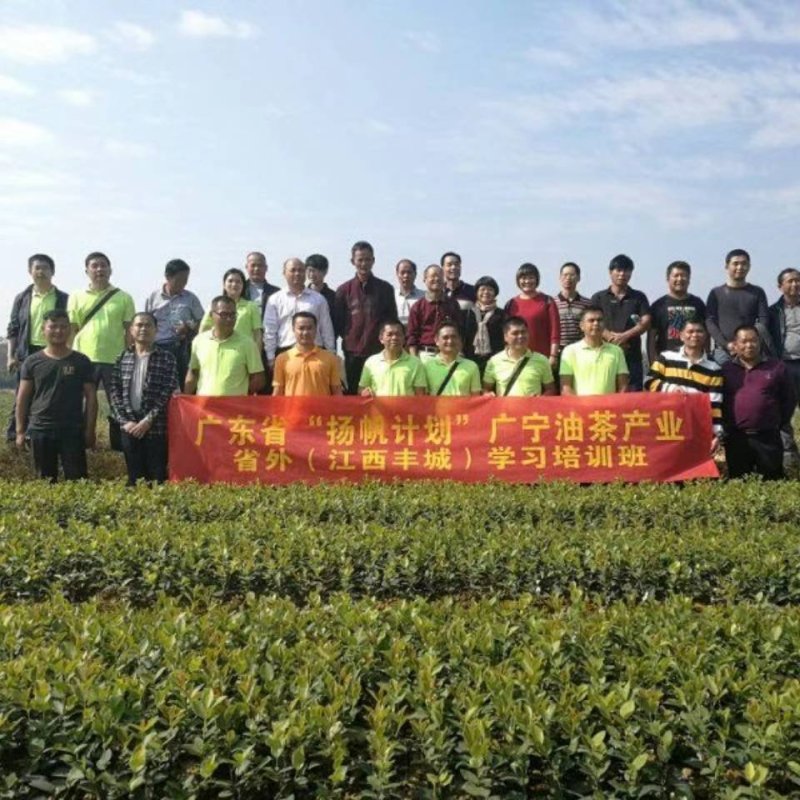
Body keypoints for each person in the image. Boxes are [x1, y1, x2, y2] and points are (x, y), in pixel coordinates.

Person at [14, 309, 97, 481]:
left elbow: (91, 398)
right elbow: (22, 399)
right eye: (53, 327)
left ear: (70, 330)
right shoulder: (32, 361)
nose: (58, 331)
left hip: (72, 429)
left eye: (63, 327)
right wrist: (20, 431)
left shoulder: (81, 361)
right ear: (43, 330)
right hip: (40, 429)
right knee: (44, 481)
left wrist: (90, 430)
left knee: (78, 482)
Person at [109, 312, 179, 485]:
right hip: (129, 428)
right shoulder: (122, 357)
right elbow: (114, 391)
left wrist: (148, 420)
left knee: (157, 476)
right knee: (134, 477)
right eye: (139, 325)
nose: (143, 329)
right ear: (131, 330)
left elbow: (167, 392)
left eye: (148, 325)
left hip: (156, 428)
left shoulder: (167, 358)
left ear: (156, 330)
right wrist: (125, 421)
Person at [6, 254, 69, 442]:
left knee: (52, 394)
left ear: (53, 272)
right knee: (22, 395)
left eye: (45, 268)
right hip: (27, 353)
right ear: (30, 271)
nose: (41, 272)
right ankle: (16, 437)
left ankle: (50, 437)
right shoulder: (22, 298)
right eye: (37, 268)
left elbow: (70, 326)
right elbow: (13, 328)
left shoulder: (63, 298)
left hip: (55, 352)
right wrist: (11, 355)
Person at [721, 325, 796, 479]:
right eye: (744, 341)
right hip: (736, 438)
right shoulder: (725, 369)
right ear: (735, 344)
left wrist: (777, 422)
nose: (749, 345)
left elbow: (788, 399)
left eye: (753, 340)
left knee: (772, 482)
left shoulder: (776, 367)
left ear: (760, 342)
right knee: (738, 484)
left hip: (768, 437)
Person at [645, 320, 723, 454]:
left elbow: (715, 404)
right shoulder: (666, 357)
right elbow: (648, 381)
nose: (695, 335)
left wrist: (717, 433)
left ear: (705, 336)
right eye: (690, 331)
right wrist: (670, 388)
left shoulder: (714, 368)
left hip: (695, 425)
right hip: (666, 424)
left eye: (699, 331)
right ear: (681, 335)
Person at [67, 251, 136, 399]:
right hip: (83, 358)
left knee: (118, 402)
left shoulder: (124, 297)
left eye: (103, 266)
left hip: (115, 359)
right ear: (87, 271)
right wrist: (68, 356)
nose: (99, 269)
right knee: (82, 401)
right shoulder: (76, 296)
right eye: (95, 266)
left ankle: (116, 424)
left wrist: (129, 357)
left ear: (110, 270)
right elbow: (72, 329)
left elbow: (130, 331)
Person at [334, 241, 398, 393]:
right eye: (360, 260)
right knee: (353, 395)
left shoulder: (385, 289)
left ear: (373, 260)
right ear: (353, 261)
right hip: (352, 354)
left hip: (378, 353)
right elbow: (337, 323)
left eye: (368, 259)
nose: (364, 263)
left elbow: (391, 320)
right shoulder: (344, 290)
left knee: (379, 393)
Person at [590, 254, 650, 390]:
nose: (622, 274)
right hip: (604, 354)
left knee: (632, 397)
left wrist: (625, 336)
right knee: (604, 392)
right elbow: (591, 319)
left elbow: (646, 321)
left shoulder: (638, 297)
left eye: (626, 270)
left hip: (631, 356)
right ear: (610, 272)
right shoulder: (599, 297)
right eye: (618, 270)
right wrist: (610, 337)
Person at [185, 296, 266, 396]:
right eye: (223, 314)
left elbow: (258, 379)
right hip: (204, 406)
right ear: (211, 315)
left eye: (233, 315)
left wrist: (241, 395)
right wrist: (185, 399)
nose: (229, 319)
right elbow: (193, 373)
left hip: (234, 409)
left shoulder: (247, 344)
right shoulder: (199, 341)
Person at [264, 257, 336, 368]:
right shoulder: (275, 299)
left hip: (315, 353)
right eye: (293, 270)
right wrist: (270, 356)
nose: (297, 273)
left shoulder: (318, 299)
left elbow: (326, 329)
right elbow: (270, 330)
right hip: (285, 353)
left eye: (301, 270)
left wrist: (331, 354)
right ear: (284, 273)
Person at [144, 258, 204, 391]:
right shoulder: (153, 297)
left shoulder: (191, 298)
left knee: (184, 384)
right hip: (158, 347)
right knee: (157, 386)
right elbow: (145, 321)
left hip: (181, 348)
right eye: (180, 279)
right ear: (167, 277)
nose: (183, 283)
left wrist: (189, 328)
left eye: (186, 279)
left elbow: (202, 322)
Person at [706, 248, 772, 365]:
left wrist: (751, 343)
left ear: (749, 266)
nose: (740, 267)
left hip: (751, 350)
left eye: (744, 264)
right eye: (735, 264)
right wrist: (727, 345)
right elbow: (710, 321)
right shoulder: (716, 293)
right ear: (727, 266)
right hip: (724, 351)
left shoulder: (757, 292)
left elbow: (763, 320)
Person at [767, 267, 800, 469]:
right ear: (780, 286)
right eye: (790, 281)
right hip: (785, 365)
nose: (795, 284)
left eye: (797, 280)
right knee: (784, 414)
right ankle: (791, 461)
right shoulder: (773, 312)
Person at [559, 306, 629, 396]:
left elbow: (623, 386)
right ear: (582, 326)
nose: (596, 323)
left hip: (609, 409)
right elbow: (565, 388)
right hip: (581, 408)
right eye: (591, 320)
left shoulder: (617, 351)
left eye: (600, 320)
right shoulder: (570, 351)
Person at [504, 263, 561, 368]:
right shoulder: (511, 304)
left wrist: (553, 356)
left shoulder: (547, 301)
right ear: (518, 280)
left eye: (531, 278)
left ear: (537, 279)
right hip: (516, 359)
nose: (527, 281)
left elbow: (555, 332)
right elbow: (506, 333)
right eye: (523, 278)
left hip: (543, 358)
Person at [272, 312, 343, 397]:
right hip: (293, 410)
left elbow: (336, 391)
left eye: (309, 328)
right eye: (301, 328)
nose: (305, 332)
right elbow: (278, 391)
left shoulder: (330, 358)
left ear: (316, 329)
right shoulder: (282, 359)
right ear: (293, 329)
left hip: (321, 410)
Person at [648, 261, 706, 362]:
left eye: (683, 276)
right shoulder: (658, 305)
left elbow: (706, 334)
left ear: (689, 279)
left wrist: (707, 356)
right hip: (667, 361)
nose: (679, 279)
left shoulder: (698, 303)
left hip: (694, 360)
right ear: (668, 279)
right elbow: (651, 337)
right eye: (676, 275)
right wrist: (653, 362)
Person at [483, 316, 556, 397]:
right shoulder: (494, 362)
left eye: (523, 332)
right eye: (515, 333)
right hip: (504, 409)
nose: (520, 336)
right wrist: (487, 394)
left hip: (532, 409)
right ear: (505, 337)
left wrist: (541, 399)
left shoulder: (542, 360)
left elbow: (551, 389)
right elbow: (486, 389)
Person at [406, 265, 464, 359]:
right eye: (432, 276)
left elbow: (459, 331)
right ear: (425, 280)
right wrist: (415, 359)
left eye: (439, 276)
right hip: (426, 354)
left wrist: (459, 352)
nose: (436, 279)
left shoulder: (452, 304)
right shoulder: (418, 306)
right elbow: (412, 336)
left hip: (449, 353)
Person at [359, 321, 426, 396]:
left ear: (404, 338)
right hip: (379, 408)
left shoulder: (416, 363)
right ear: (381, 338)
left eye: (398, 334)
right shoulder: (371, 362)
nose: (394, 338)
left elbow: (420, 396)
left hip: (406, 408)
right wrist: (365, 393)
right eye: (389, 334)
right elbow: (362, 389)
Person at [200, 268, 263, 348]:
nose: (234, 284)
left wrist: (256, 356)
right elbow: (203, 330)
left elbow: (257, 335)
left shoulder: (251, 307)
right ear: (224, 284)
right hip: (218, 350)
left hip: (243, 352)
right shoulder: (214, 306)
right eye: (230, 281)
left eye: (238, 282)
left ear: (243, 285)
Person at [424, 323, 481, 396]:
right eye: (445, 337)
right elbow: (423, 397)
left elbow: (475, 398)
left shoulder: (472, 366)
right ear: (436, 340)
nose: (450, 341)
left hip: (462, 407)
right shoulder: (427, 366)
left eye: (454, 337)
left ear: (460, 340)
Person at [470, 275, 505, 377]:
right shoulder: (468, 313)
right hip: (471, 361)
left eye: (490, 289)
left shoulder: (502, 314)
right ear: (476, 292)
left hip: (495, 361)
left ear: (495, 293)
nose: (486, 292)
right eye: (482, 289)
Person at [555, 262, 591, 351]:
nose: (568, 278)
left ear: (578, 278)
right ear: (560, 278)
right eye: (565, 275)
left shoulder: (587, 303)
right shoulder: (552, 302)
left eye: (572, 275)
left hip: (580, 349)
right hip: (559, 350)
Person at [243, 251, 280, 317]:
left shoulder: (276, 292)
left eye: (260, 265)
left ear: (266, 268)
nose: (256, 269)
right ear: (246, 267)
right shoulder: (240, 290)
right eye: (253, 265)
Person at [305, 253, 337, 322]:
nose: (311, 274)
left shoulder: (333, 297)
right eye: (309, 270)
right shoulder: (302, 295)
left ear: (325, 272)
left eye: (315, 271)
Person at [394, 258, 424, 327]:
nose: (406, 276)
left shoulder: (423, 297)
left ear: (415, 274)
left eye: (409, 272)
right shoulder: (390, 296)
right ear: (397, 274)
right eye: (402, 272)